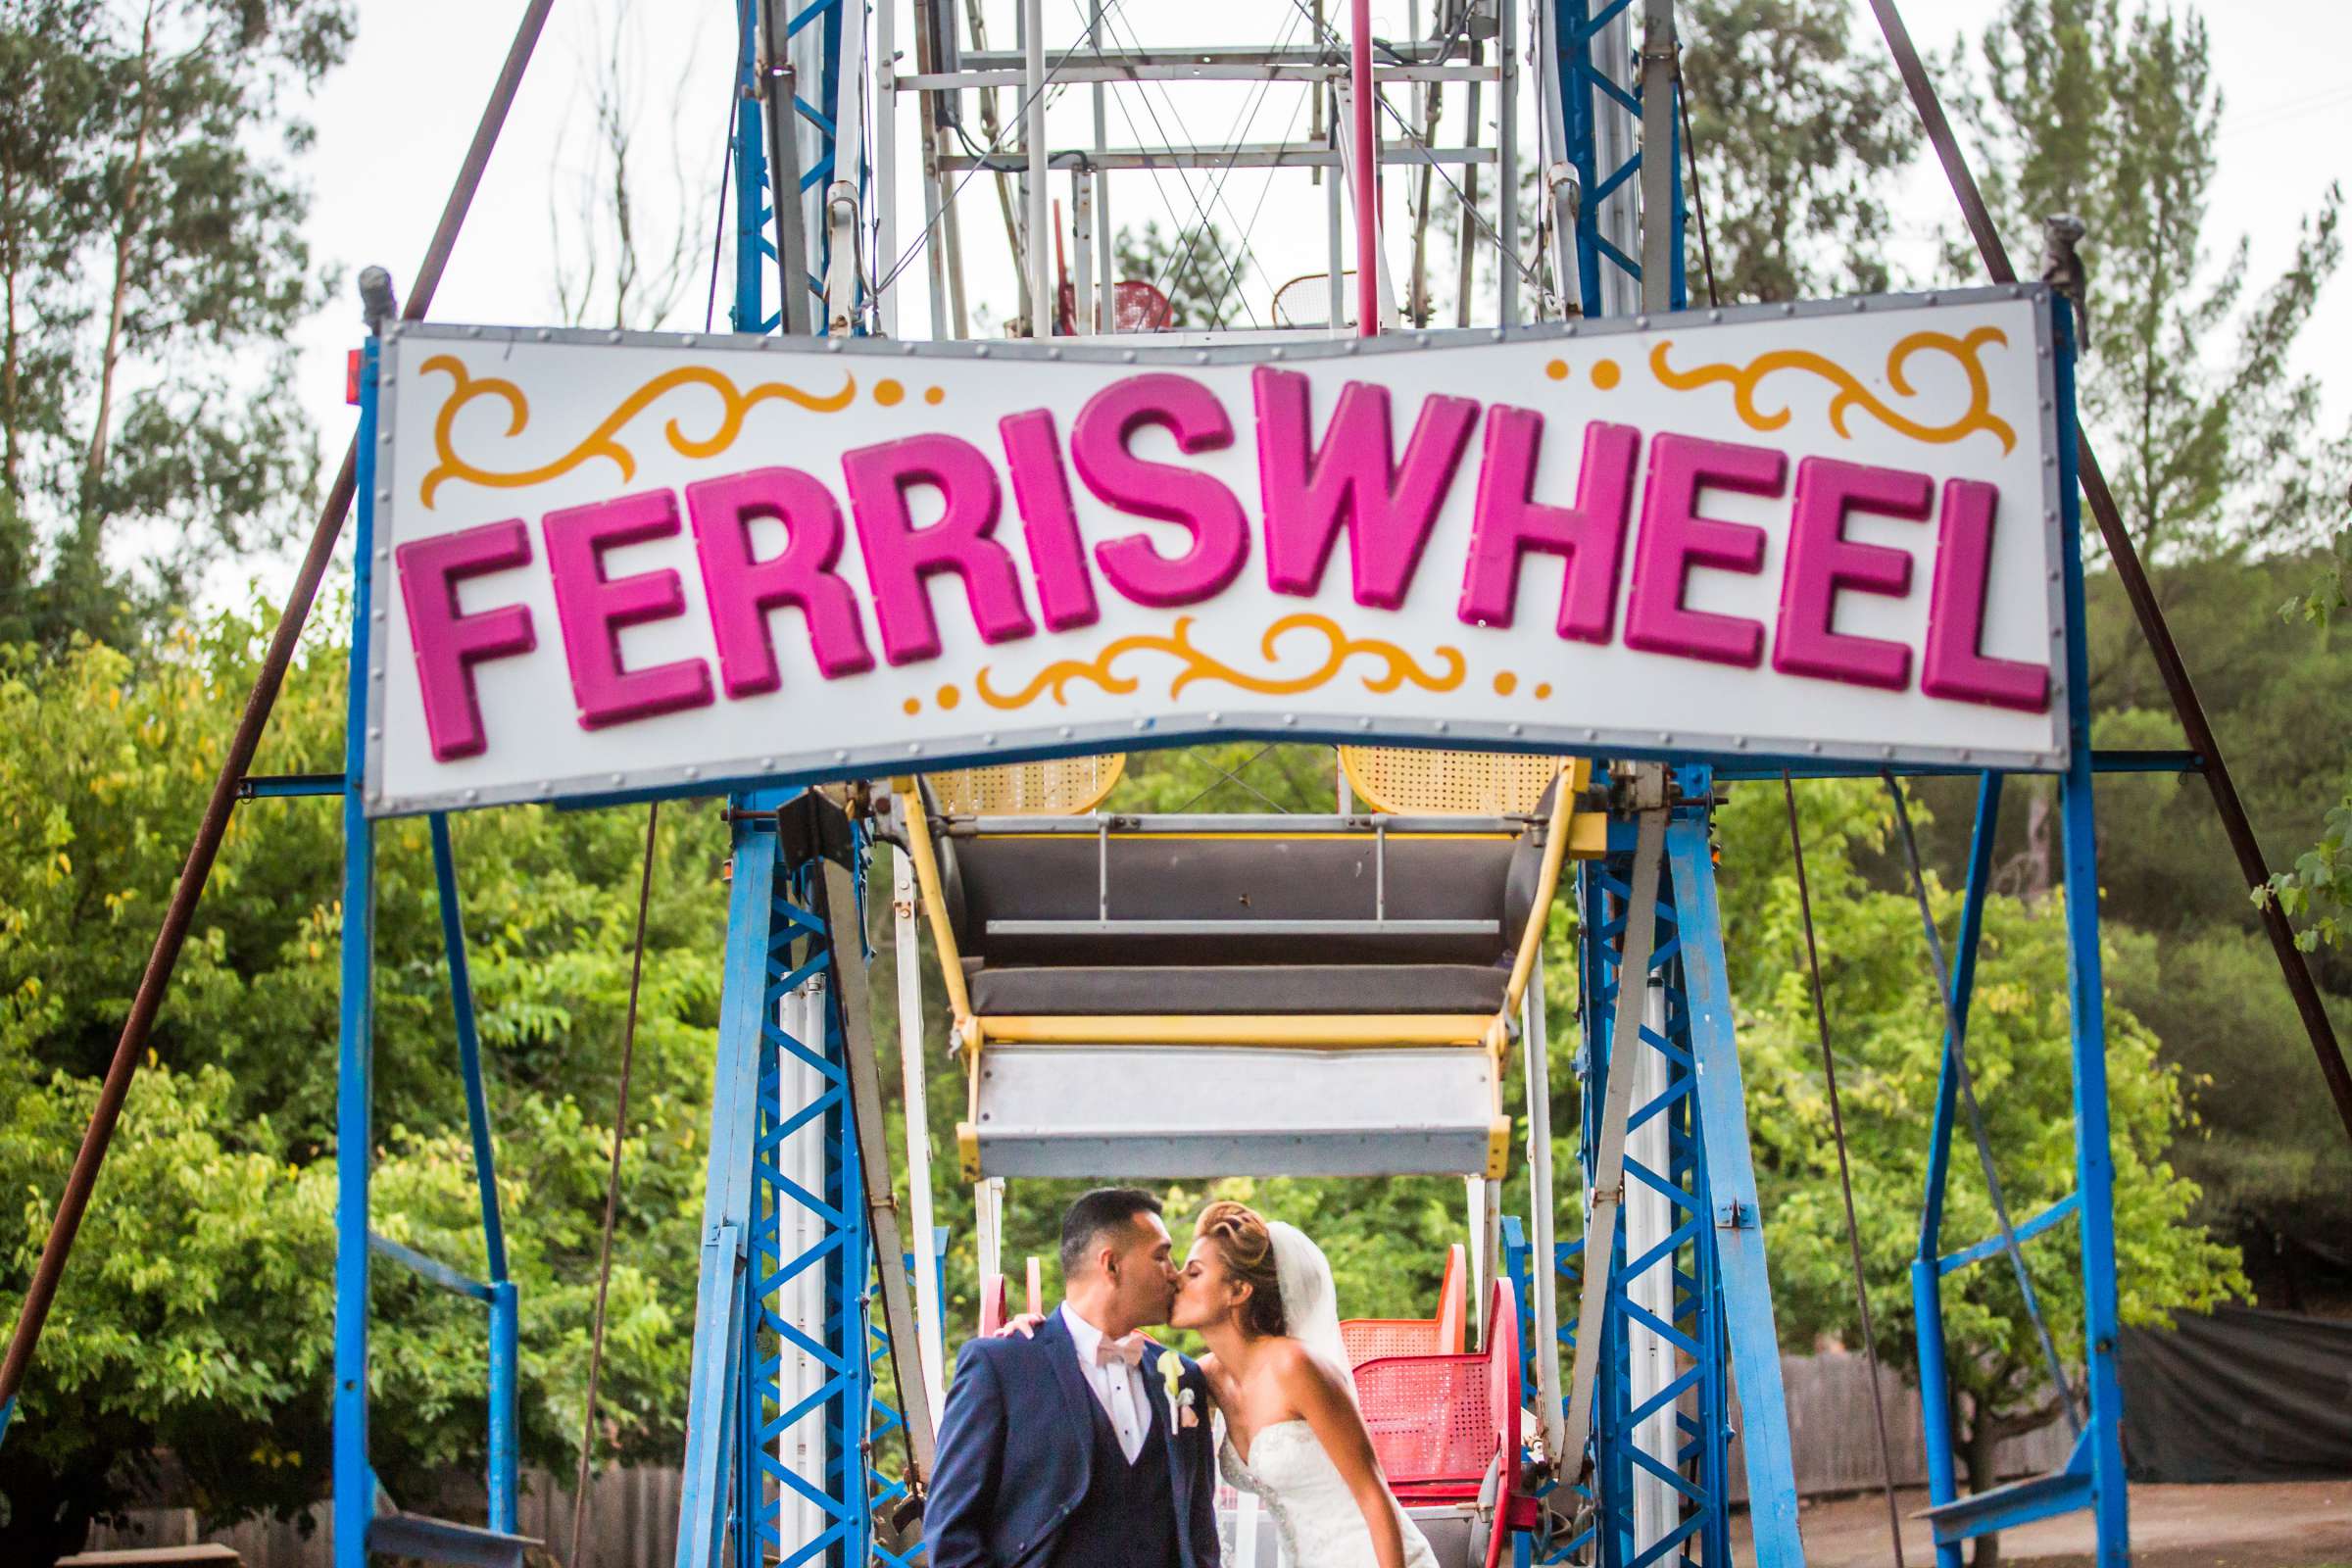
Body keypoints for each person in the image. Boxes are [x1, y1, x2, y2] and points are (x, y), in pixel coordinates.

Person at [925, 1187, 1219, 1568]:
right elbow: (951, 1535)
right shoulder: (1000, 1367)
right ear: (1111, 1265)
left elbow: (1199, 1536)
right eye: (1161, 1256)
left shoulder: (1184, 1378)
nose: (1174, 1275)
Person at [1173, 1200, 1440, 1568]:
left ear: (1238, 1290)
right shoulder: (1207, 1378)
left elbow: (1373, 1495)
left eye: (1195, 1272)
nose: (1177, 1280)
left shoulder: (1296, 1366)